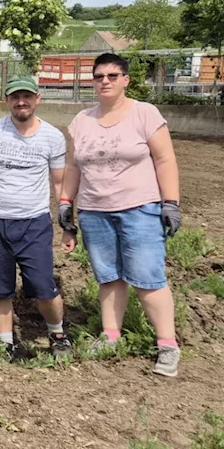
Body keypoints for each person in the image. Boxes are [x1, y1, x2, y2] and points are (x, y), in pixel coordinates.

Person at [59, 53, 183, 377]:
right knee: (108, 277)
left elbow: (165, 159)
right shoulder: (82, 120)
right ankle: (111, 336)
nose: (105, 81)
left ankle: (167, 344)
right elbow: (73, 166)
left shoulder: (144, 113)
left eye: (113, 76)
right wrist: (64, 202)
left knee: (148, 278)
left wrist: (171, 202)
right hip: (94, 212)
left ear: (125, 80)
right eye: (99, 76)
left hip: (139, 209)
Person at [0, 77, 73, 360]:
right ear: (7, 99)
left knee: (42, 286)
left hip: (34, 223)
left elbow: (61, 184)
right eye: (15, 96)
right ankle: (5, 341)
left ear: (37, 98)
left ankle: (58, 335)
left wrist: (68, 224)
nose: (21, 101)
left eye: (26, 96)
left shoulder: (52, 136)